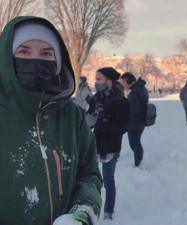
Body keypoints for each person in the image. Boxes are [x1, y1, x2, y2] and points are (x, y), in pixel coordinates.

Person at [0, 16, 101, 225]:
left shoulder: (73, 116)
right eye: (24, 52)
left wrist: (83, 211)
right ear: (8, 58)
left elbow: (89, 175)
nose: (35, 60)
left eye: (46, 53)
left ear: (57, 62)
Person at [87, 67, 129, 220]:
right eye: (95, 79)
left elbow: (123, 126)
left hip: (111, 147)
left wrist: (104, 122)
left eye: (99, 79)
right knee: (90, 178)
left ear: (109, 81)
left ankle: (108, 212)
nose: (96, 82)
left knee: (108, 180)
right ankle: (90, 206)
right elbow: (89, 119)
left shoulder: (121, 101)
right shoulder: (96, 98)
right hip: (95, 144)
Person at [121, 72, 149, 167]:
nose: (123, 84)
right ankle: (139, 161)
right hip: (140, 121)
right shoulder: (140, 88)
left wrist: (125, 105)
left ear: (129, 81)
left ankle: (139, 163)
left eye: (124, 82)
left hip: (135, 123)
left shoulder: (134, 92)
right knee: (136, 142)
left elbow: (133, 110)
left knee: (134, 143)